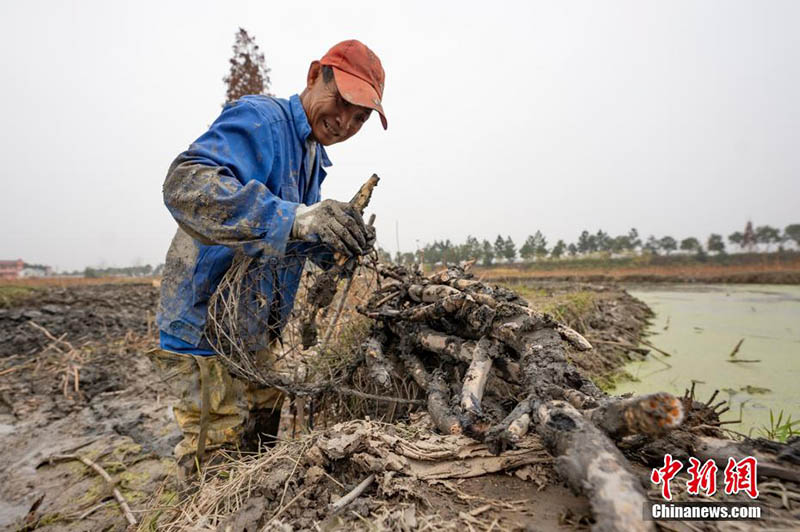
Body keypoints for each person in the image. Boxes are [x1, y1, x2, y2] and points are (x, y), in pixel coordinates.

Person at [149, 40, 387, 473]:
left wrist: (334, 240)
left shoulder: (312, 157)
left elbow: (287, 238)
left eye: (361, 117)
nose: (345, 122)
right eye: (342, 102)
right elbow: (184, 185)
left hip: (253, 330)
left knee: (263, 432)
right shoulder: (261, 119)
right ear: (315, 75)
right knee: (215, 454)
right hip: (204, 328)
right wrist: (295, 216)